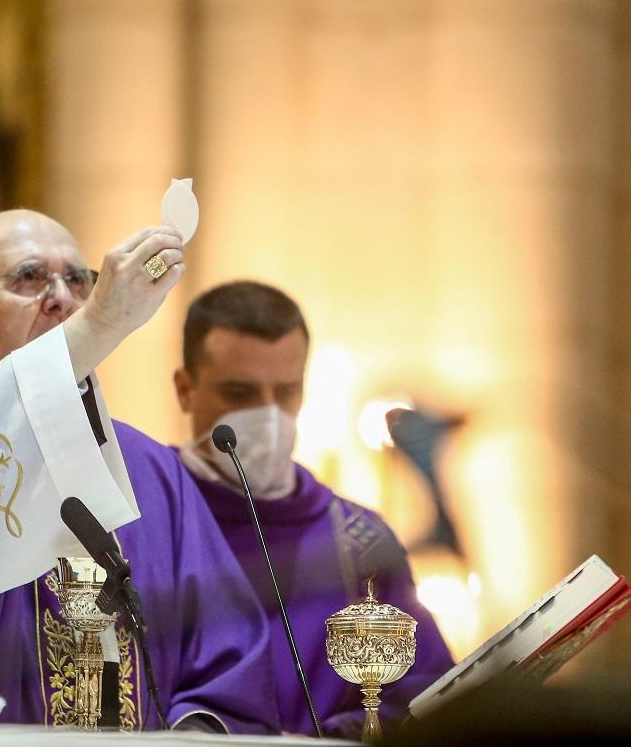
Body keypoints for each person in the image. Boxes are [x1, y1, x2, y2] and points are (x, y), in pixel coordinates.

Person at [0, 210, 280, 733]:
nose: (62, 297)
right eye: (30, 277)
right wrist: (99, 325)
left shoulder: (154, 472)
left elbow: (228, 664)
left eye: (80, 280)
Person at [172, 280, 454, 736]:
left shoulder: (361, 541)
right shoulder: (147, 513)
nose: (268, 416)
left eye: (286, 392)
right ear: (185, 389)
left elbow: (424, 697)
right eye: (240, 394)